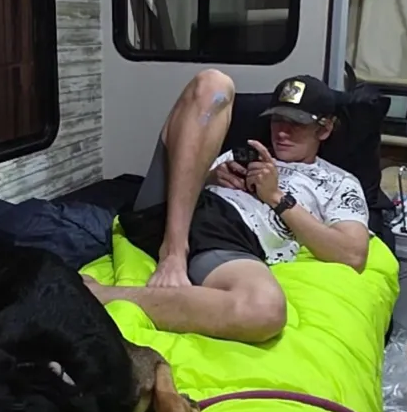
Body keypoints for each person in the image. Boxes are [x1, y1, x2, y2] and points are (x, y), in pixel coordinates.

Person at [84, 70, 372, 344]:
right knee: (214, 83)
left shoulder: (339, 182)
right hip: (168, 212)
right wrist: (208, 177)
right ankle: (173, 252)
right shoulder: (242, 154)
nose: (282, 132)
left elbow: (353, 254)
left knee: (265, 310)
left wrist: (276, 197)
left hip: (228, 239)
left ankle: (103, 295)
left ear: (325, 129)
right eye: (277, 120)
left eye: (296, 123)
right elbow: (184, 169)